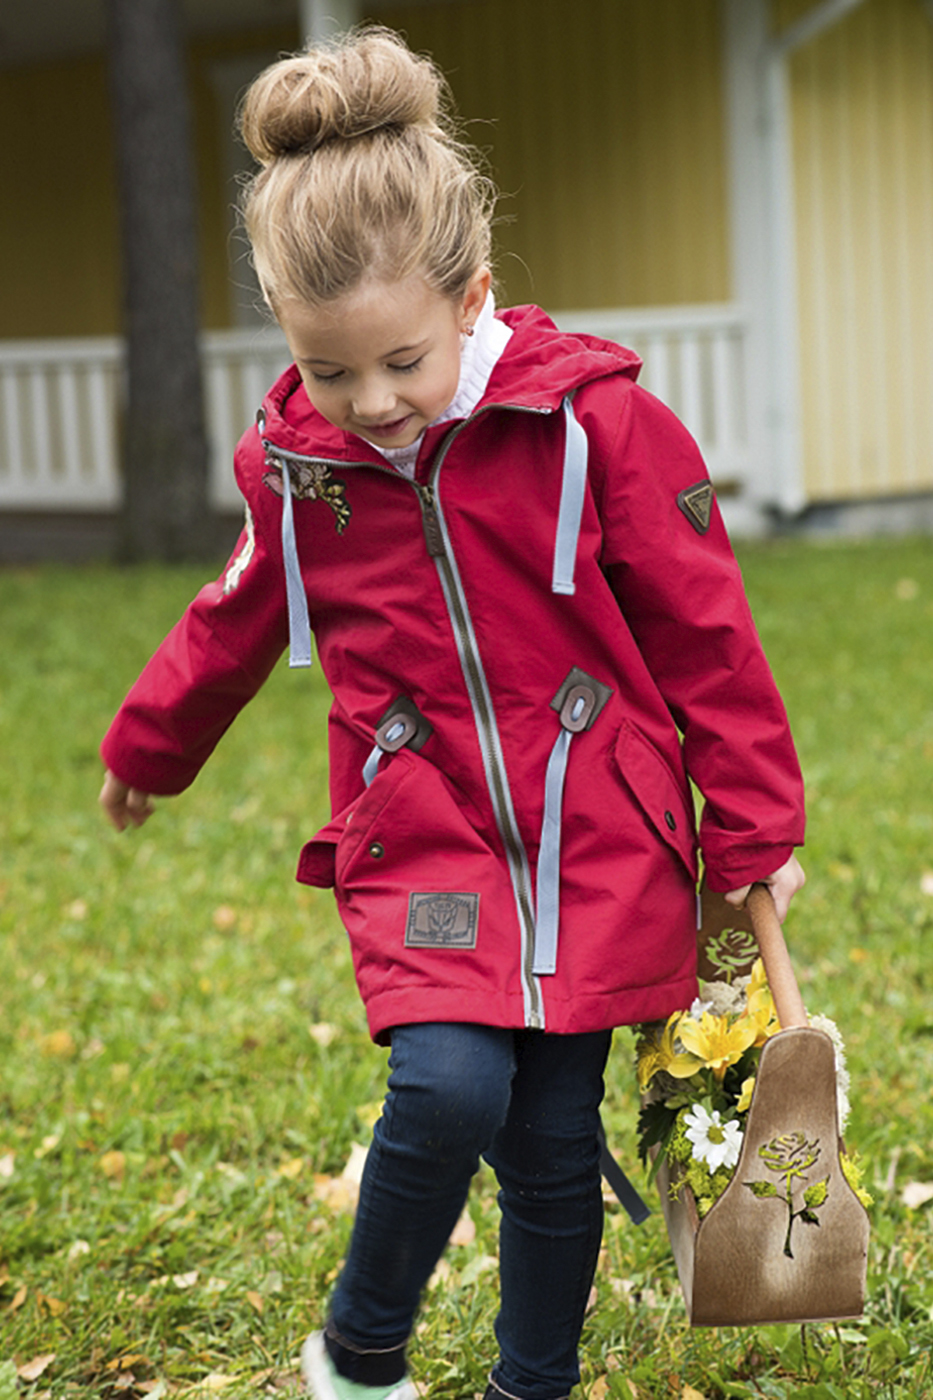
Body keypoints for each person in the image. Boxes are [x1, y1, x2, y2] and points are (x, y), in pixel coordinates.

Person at [99, 27, 805, 1400]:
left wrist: (755, 823)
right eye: (327, 373)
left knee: (551, 1141)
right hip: (420, 828)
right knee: (448, 1089)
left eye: (401, 363)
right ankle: (359, 1348)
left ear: (472, 296)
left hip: (596, 837)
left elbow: (704, 628)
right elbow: (233, 615)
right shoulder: (296, 469)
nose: (369, 406)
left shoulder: (595, 427)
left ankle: (525, 1383)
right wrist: (150, 744)